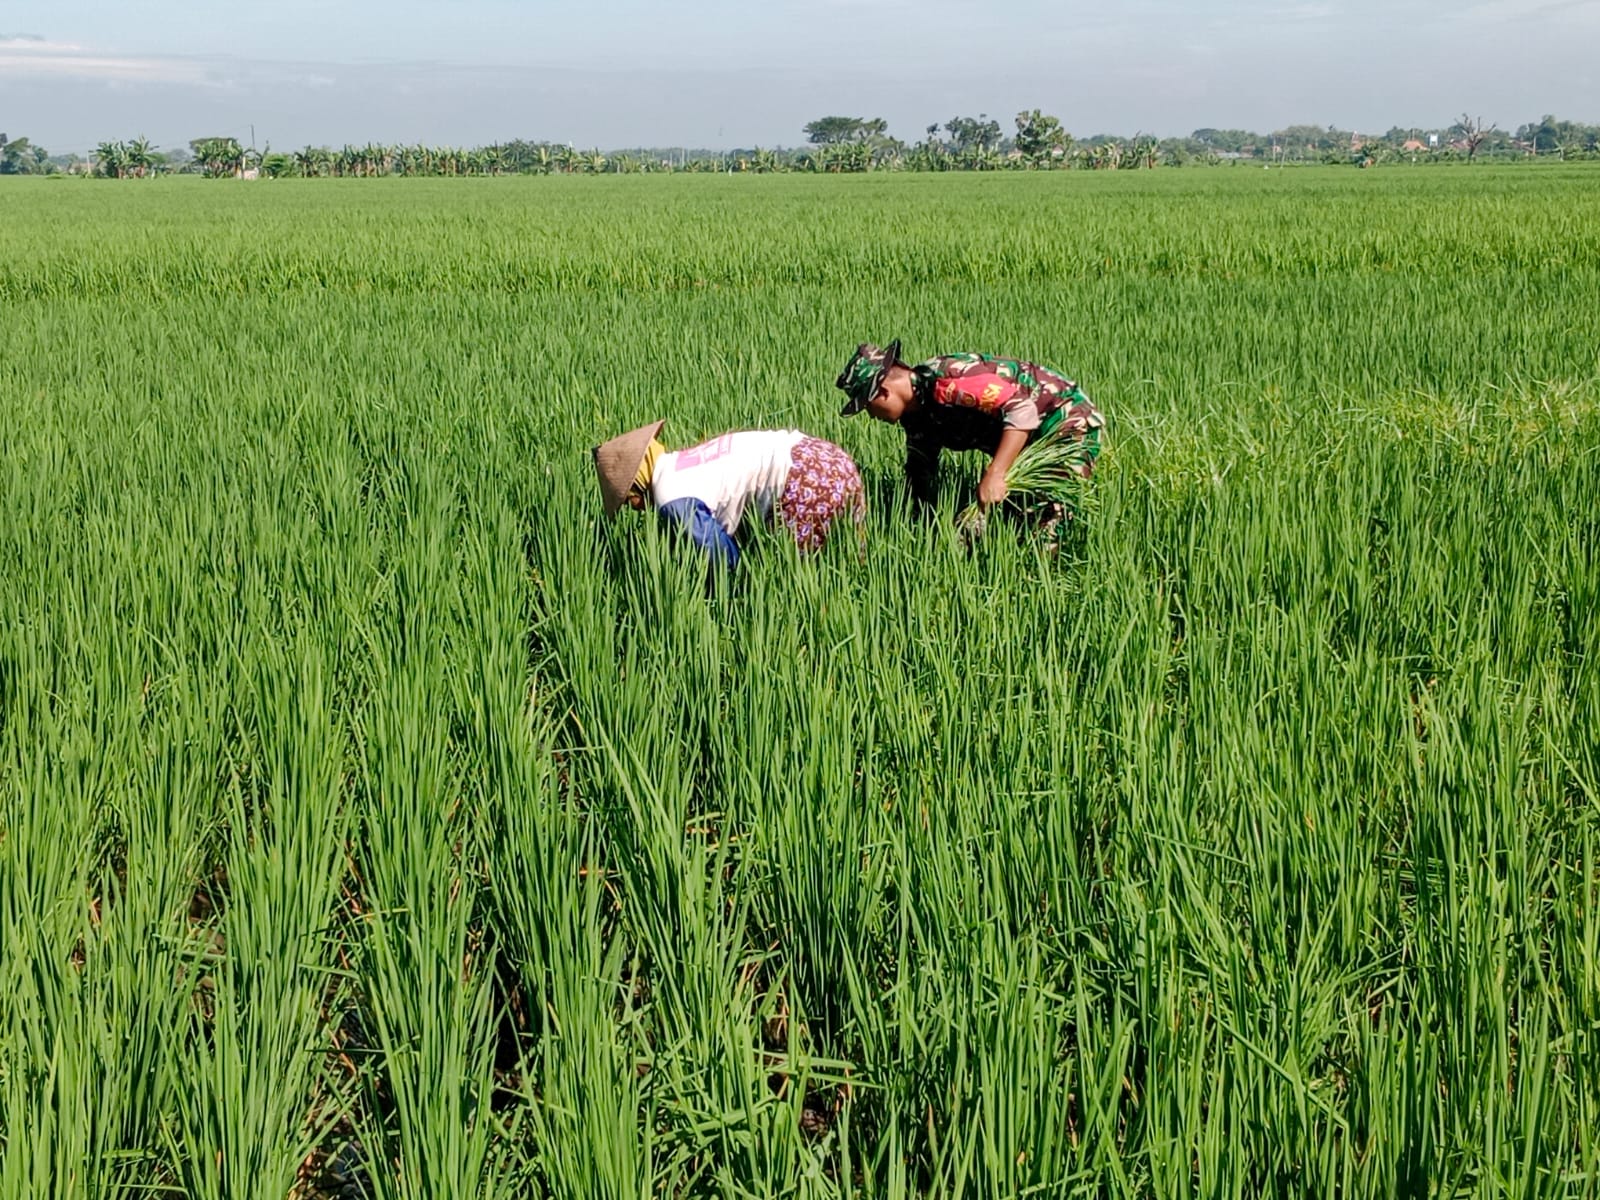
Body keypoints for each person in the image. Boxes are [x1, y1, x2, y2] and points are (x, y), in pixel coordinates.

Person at [835, 340, 1104, 511]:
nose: (871, 416)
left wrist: (995, 473)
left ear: (883, 392)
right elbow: (920, 470)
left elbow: (1022, 410)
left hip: (1063, 419)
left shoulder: (947, 380)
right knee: (1012, 515)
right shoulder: (916, 416)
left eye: (868, 406)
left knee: (1049, 514)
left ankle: (1048, 578)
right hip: (1028, 438)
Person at [592, 420, 866, 574]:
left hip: (804, 484)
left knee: (796, 582)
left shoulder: (669, 494)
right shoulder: (681, 462)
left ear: (637, 483)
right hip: (829, 459)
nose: (637, 508)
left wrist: (736, 591)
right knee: (849, 566)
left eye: (629, 501)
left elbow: (718, 554)